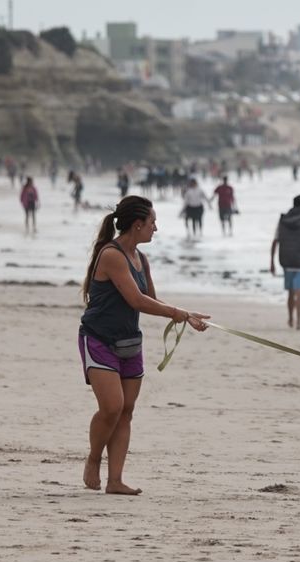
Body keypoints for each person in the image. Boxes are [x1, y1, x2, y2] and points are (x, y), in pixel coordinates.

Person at [79, 195, 210, 495]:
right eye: (152, 222)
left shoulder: (141, 258)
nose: (156, 228)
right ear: (137, 225)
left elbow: (150, 299)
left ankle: (115, 481)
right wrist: (176, 313)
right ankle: (93, 458)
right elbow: (135, 300)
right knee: (112, 407)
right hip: (98, 339)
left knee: (126, 411)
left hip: (129, 342)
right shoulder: (112, 255)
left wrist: (185, 315)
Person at [270, 194, 300, 330]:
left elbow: (275, 241)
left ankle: (291, 317)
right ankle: (299, 322)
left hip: (286, 260)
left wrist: (272, 262)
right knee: (299, 292)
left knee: (291, 292)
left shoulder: (283, 220)